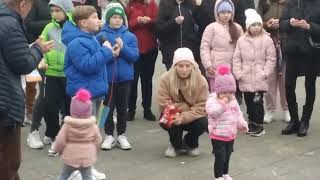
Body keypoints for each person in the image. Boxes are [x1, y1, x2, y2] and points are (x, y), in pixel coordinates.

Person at [0, 0, 54, 179]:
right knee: (8, 164)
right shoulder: (9, 23)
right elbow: (22, 63)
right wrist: (38, 49)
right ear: (22, 4)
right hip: (4, 103)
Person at [62, 5, 113, 179]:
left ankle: (87, 167)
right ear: (83, 22)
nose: (99, 20)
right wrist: (106, 51)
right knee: (82, 135)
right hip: (84, 97)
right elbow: (88, 65)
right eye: (94, 17)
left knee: (92, 134)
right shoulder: (77, 42)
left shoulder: (91, 38)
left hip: (96, 92)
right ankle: (75, 169)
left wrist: (107, 51)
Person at [97, 2, 139, 150]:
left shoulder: (130, 36)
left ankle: (121, 134)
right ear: (108, 19)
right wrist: (110, 53)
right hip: (107, 79)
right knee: (108, 106)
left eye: (120, 17)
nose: (117, 20)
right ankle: (108, 135)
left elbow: (134, 56)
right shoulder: (101, 35)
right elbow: (98, 56)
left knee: (122, 107)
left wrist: (123, 47)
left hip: (125, 78)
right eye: (114, 17)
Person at [157, 47, 209, 158]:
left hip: (192, 115)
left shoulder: (201, 81)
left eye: (187, 66)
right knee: (168, 120)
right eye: (180, 66)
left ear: (193, 66)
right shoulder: (165, 79)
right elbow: (163, 102)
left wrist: (183, 117)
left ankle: (191, 143)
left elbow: (201, 106)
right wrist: (180, 111)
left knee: (203, 122)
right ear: (175, 66)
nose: (184, 69)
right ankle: (176, 145)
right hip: (173, 112)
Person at [232, 9, 276, 137]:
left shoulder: (266, 39)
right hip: (245, 78)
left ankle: (259, 125)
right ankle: (251, 123)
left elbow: (271, 58)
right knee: (249, 103)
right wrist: (238, 74)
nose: (256, 28)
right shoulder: (241, 41)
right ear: (248, 27)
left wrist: (265, 72)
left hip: (259, 78)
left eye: (258, 25)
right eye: (253, 25)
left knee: (257, 103)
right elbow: (236, 58)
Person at [280, 0, 320, 137]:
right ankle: (294, 120)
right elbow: (282, 24)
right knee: (289, 85)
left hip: (311, 52)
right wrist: (289, 23)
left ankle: (305, 121)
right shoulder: (291, 3)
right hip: (293, 51)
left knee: (310, 86)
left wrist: (310, 27)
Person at [206, 65, 248, 180]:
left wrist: (242, 124)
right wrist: (222, 105)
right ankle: (218, 176)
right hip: (217, 134)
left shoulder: (233, 101)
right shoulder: (212, 100)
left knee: (228, 155)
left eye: (230, 92)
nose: (227, 95)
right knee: (220, 156)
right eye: (224, 92)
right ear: (218, 91)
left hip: (230, 134)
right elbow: (212, 113)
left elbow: (238, 114)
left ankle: (225, 173)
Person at [54, 89, 103, 180]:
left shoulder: (67, 125)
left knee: (64, 175)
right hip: (87, 157)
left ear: (72, 109)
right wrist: (95, 152)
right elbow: (98, 140)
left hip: (70, 156)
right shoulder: (92, 126)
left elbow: (60, 140)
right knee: (87, 177)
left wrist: (58, 150)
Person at [257, 0, 290, 123]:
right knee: (269, 81)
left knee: (285, 81)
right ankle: (270, 109)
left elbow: (296, 22)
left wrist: (282, 24)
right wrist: (267, 25)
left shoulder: (291, 3)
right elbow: (256, 22)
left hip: (285, 46)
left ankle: (287, 109)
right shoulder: (264, 3)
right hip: (267, 46)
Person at [200, 0, 243, 92]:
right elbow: (204, 47)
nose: (226, 15)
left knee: (229, 96)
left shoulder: (237, 28)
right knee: (216, 95)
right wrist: (208, 65)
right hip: (215, 69)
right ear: (217, 13)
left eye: (228, 12)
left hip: (232, 69)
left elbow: (243, 47)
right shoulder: (211, 27)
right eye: (223, 12)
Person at [126, 0, 159, 121]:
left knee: (147, 80)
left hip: (150, 48)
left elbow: (158, 21)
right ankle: (131, 109)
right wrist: (137, 21)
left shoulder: (152, 4)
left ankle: (147, 109)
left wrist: (149, 21)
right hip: (133, 49)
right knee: (132, 80)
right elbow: (125, 24)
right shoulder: (130, 5)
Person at [23, 0, 51, 125]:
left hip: (55, 49)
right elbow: (28, 24)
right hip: (35, 47)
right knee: (31, 82)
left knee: (49, 85)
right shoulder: (37, 3)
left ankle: (45, 114)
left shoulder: (62, 3)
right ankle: (29, 111)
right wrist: (51, 24)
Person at [155, 0, 204, 72]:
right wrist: (174, 22)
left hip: (190, 53)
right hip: (171, 54)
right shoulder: (165, 4)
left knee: (189, 81)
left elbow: (200, 26)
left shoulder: (192, 5)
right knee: (173, 81)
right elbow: (159, 29)